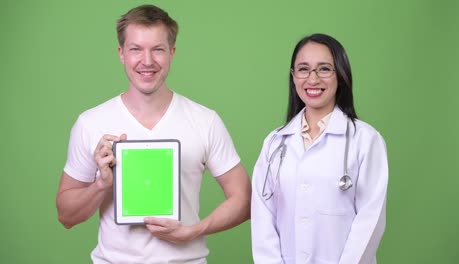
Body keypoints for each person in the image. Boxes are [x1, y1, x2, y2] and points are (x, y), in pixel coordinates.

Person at [56, 4, 251, 264]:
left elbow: (244, 199)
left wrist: (193, 231)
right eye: (136, 49)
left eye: (157, 49)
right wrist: (101, 184)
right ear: (121, 53)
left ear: (171, 53)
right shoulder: (91, 123)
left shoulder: (205, 121)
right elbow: (66, 216)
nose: (147, 61)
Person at [251, 33, 388, 263]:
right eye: (303, 69)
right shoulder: (275, 143)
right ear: (293, 77)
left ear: (340, 75)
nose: (312, 80)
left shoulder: (365, 140)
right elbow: (263, 218)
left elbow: (370, 221)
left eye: (324, 69)